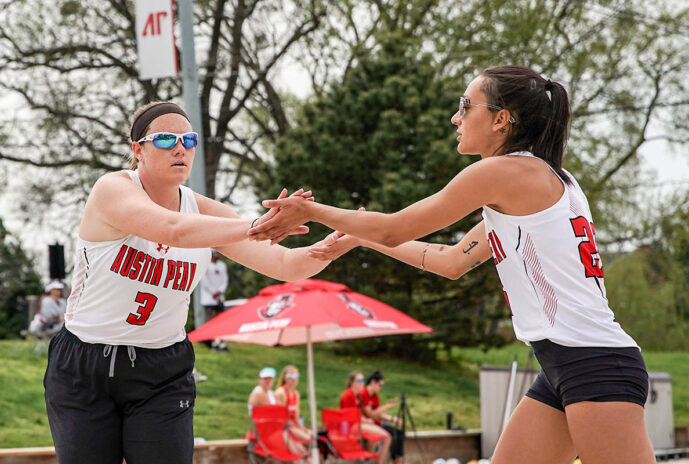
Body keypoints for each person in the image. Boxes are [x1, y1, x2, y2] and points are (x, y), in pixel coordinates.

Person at [249, 65, 655, 464]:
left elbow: (394, 228)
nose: (454, 117)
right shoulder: (537, 179)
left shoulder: (505, 172)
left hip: (594, 364)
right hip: (565, 364)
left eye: (465, 105)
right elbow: (448, 261)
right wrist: (359, 237)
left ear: (501, 119)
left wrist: (312, 210)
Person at [43, 100, 345, 464]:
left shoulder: (207, 211)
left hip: (161, 370)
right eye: (167, 139)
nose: (180, 147)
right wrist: (259, 225)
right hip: (85, 362)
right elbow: (173, 230)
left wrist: (329, 248)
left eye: (189, 139)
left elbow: (282, 263)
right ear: (137, 150)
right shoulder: (112, 189)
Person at [249, 367, 307, 456]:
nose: (268, 381)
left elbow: (282, 412)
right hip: (264, 434)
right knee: (298, 449)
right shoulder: (258, 392)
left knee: (301, 449)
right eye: (265, 379)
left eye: (270, 379)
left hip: (275, 430)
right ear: (259, 380)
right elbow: (278, 413)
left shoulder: (270, 392)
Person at [340, 371, 391, 464]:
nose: (362, 382)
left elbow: (359, 413)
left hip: (357, 424)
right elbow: (349, 416)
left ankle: (368, 460)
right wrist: (366, 420)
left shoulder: (357, 395)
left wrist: (366, 419)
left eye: (362, 380)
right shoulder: (348, 395)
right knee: (387, 437)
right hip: (351, 426)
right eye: (359, 380)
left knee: (375, 438)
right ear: (351, 382)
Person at [359, 371, 403, 463]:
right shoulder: (363, 394)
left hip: (378, 423)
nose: (381, 388)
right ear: (373, 382)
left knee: (399, 433)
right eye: (380, 385)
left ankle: (397, 460)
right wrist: (387, 406)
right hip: (371, 425)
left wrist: (393, 419)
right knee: (389, 436)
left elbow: (378, 413)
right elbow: (371, 414)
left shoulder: (375, 396)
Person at [274, 366, 312, 444]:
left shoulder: (296, 394)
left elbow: (296, 417)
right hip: (284, 428)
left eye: (296, 376)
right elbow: (282, 417)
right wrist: (297, 429)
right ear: (284, 378)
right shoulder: (281, 392)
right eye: (290, 377)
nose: (294, 379)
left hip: (293, 426)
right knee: (309, 439)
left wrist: (302, 428)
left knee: (314, 435)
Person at [200, 249, 229, 350]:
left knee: (221, 321)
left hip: (219, 298)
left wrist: (220, 291)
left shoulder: (222, 265)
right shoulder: (206, 264)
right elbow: (204, 281)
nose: (219, 255)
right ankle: (213, 343)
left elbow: (225, 280)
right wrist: (213, 292)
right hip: (209, 298)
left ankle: (221, 343)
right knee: (212, 321)